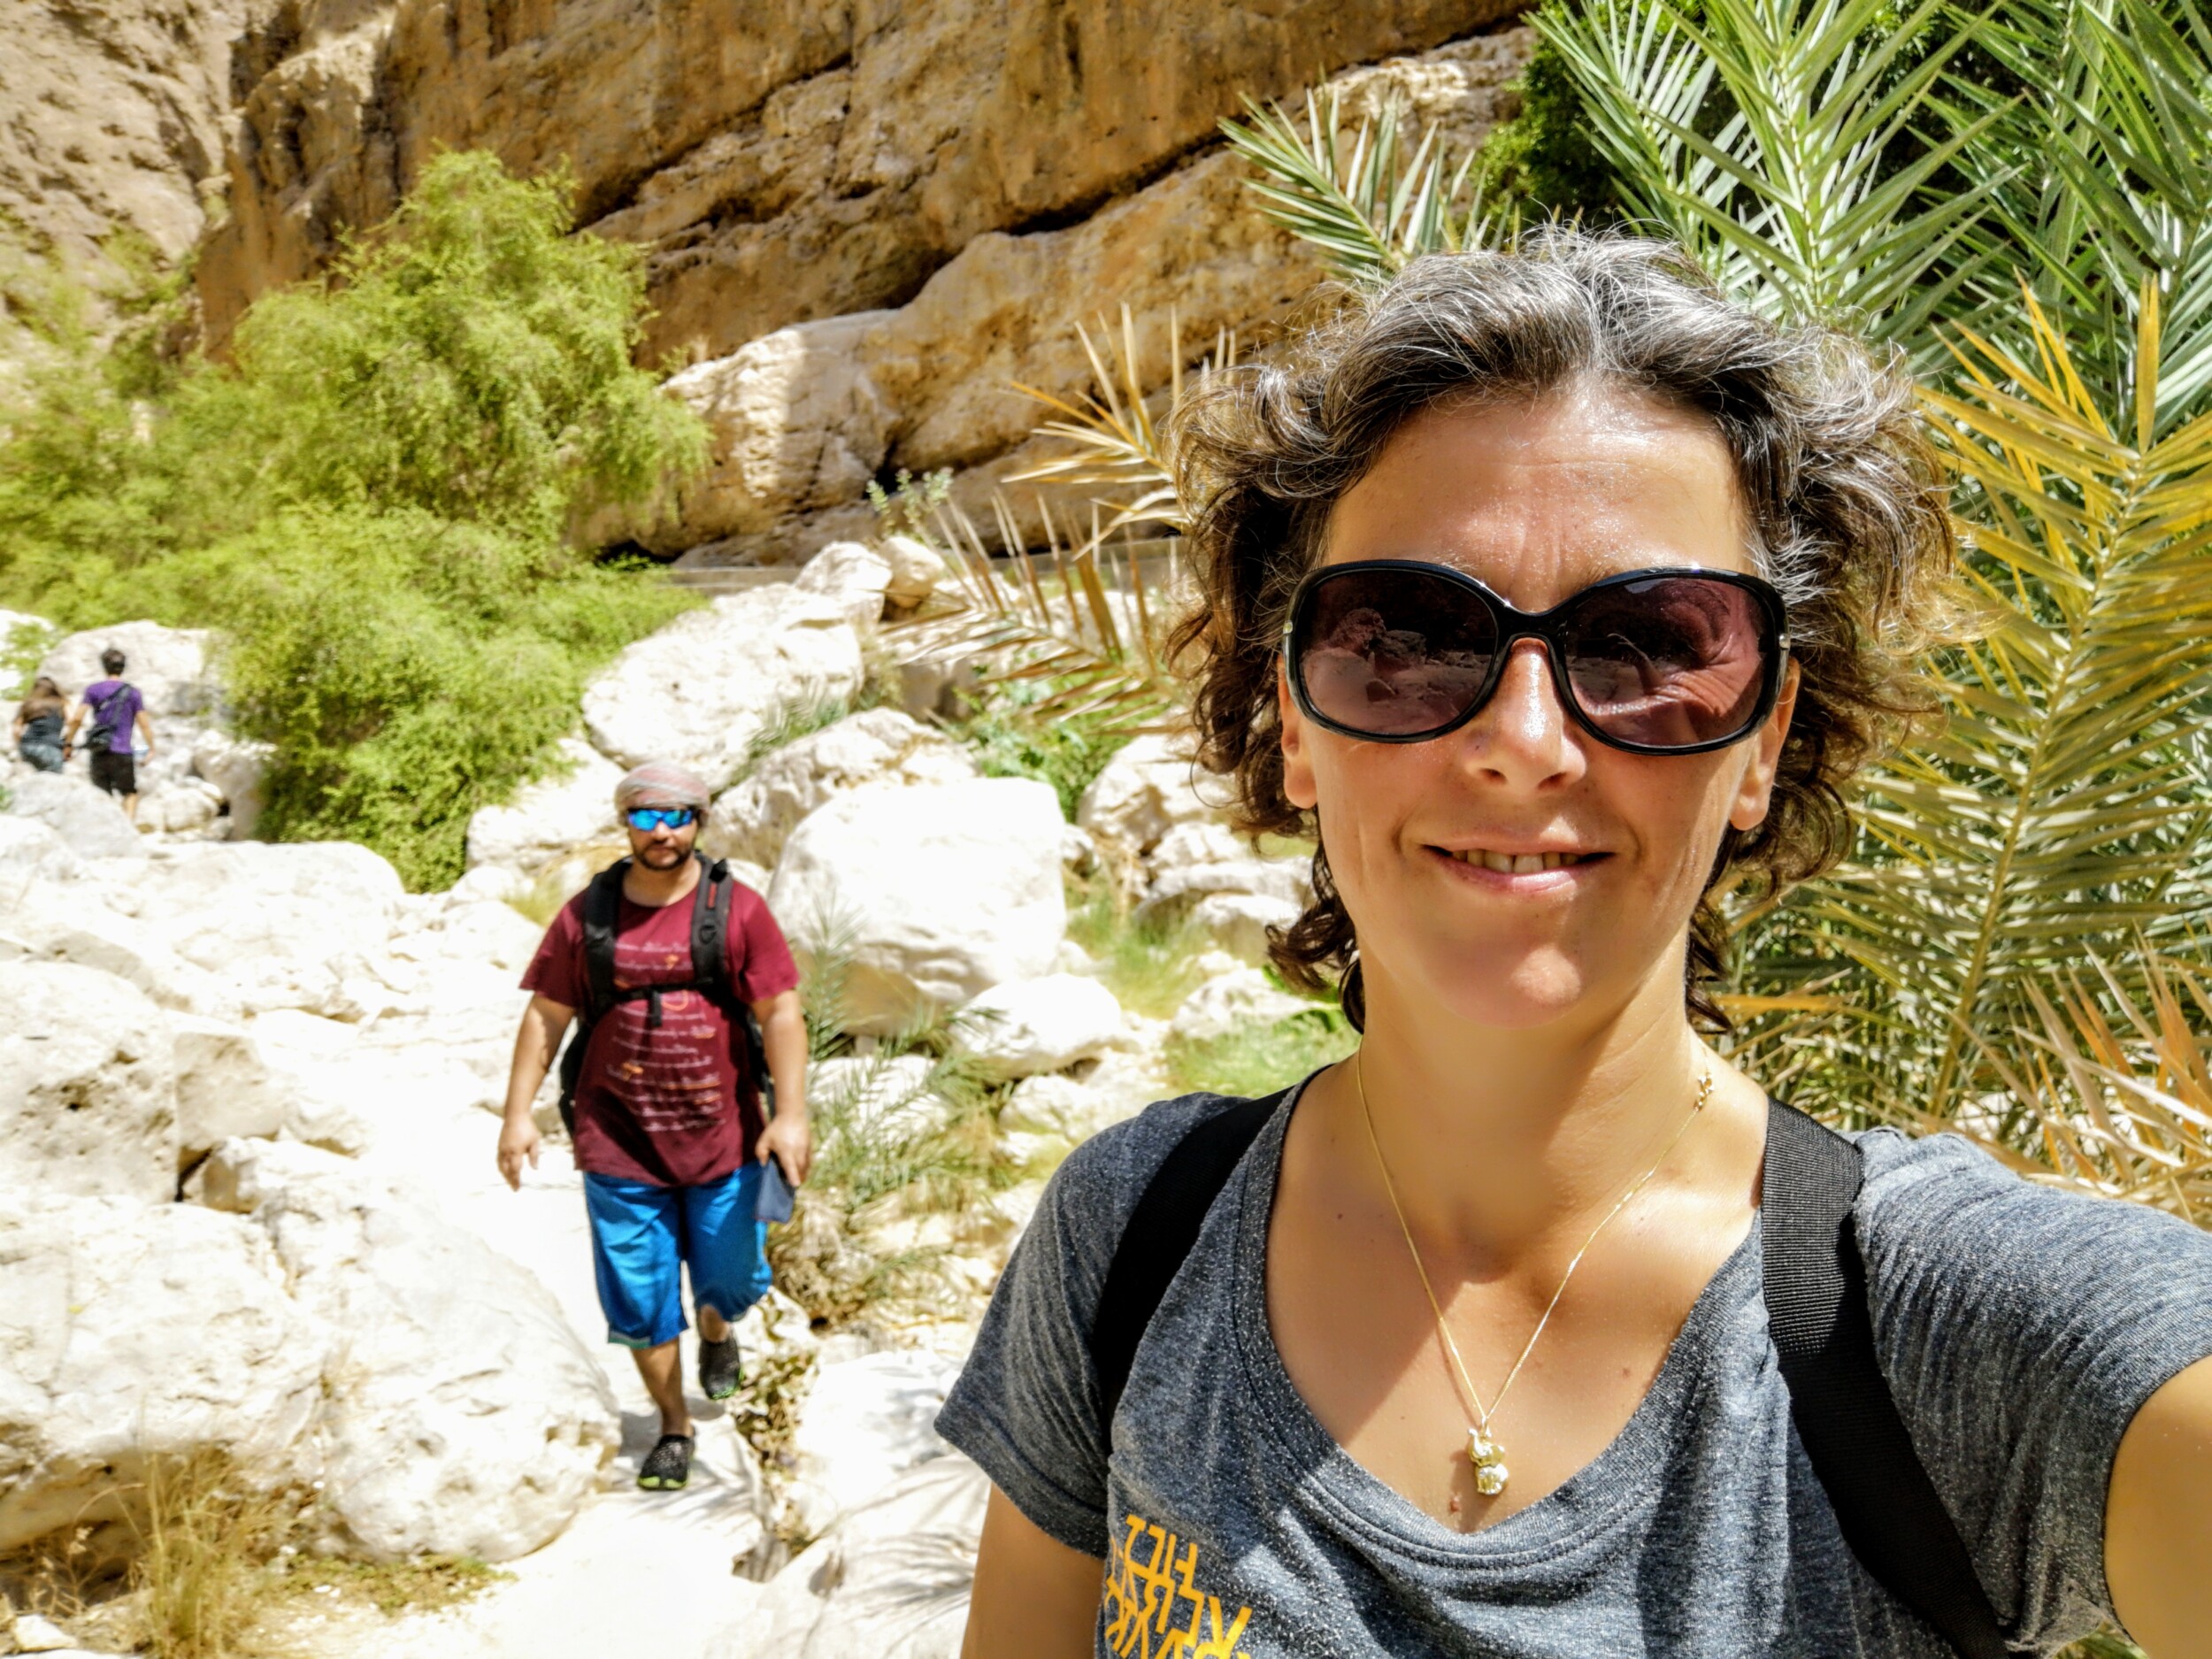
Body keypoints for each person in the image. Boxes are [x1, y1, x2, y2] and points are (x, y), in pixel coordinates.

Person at [940, 234, 2212, 1657]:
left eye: (1648, 644)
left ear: (1763, 742)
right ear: (1294, 718)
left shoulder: (1948, 1330)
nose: (1526, 742)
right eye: (1407, 635)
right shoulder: (1131, 1236)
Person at [497, 761, 811, 1493]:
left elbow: (780, 1012)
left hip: (725, 1139)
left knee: (731, 1278)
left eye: (678, 816)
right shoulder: (588, 915)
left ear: (700, 823)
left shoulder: (737, 911)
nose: (662, 831)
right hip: (617, 1142)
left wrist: (791, 1115)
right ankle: (674, 1425)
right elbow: (547, 1014)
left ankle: (716, 1329)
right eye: (645, 816)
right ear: (625, 823)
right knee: (640, 1303)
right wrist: (516, 1115)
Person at [62, 648, 153, 822]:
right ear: (123, 667)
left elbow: (77, 719)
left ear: (104, 666)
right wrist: (151, 748)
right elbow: (144, 724)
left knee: (102, 795)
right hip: (123, 751)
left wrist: (68, 743)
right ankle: (128, 826)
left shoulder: (93, 690)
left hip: (100, 749)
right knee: (130, 792)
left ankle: (107, 827)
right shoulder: (133, 692)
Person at [12, 676, 68, 772]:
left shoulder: (28, 704)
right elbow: (73, 722)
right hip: (51, 747)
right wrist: (67, 742)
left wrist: (20, 747)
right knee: (53, 778)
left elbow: (16, 731)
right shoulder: (62, 704)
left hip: (28, 747)